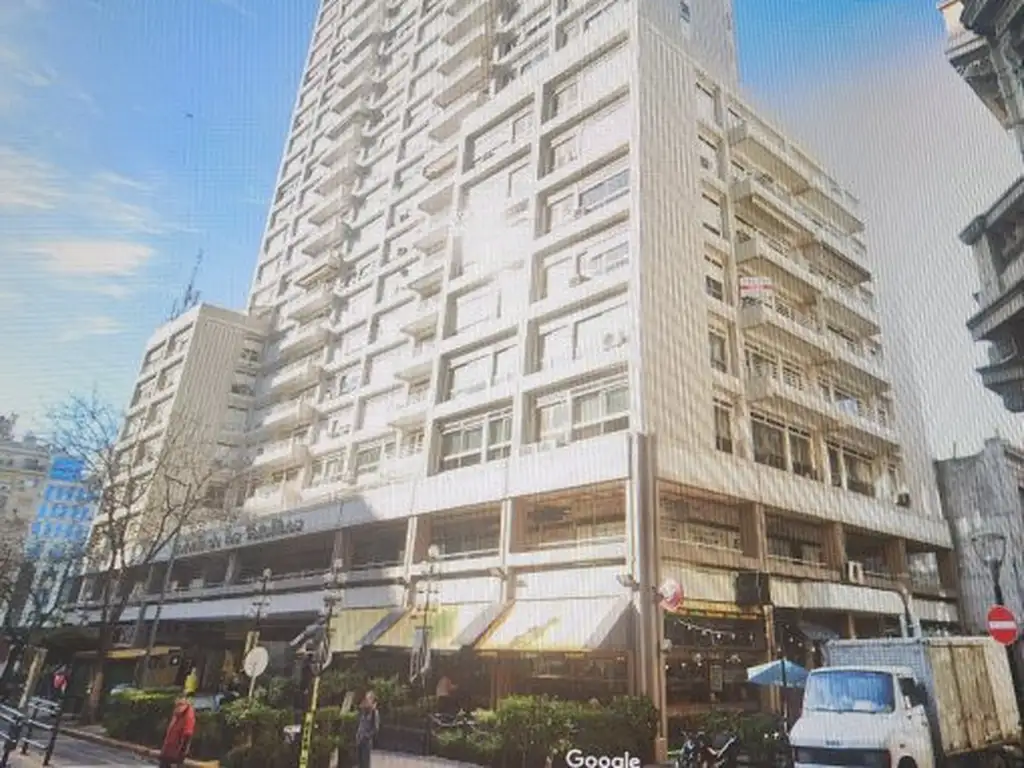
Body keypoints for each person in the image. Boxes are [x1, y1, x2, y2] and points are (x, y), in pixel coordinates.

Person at [159, 694, 196, 768]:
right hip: (168, 750)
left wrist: (181, 755)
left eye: (181, 703)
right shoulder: (177, 713)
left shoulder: (188, 715)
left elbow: (187, 735)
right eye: (177, 703)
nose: (178, 705)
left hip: (176, 752)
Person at [355, 691, 380, 768]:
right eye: (366, 698)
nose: (366, 700)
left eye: (368, 698)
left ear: (372, 700)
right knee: (359, 763)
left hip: (366, 741)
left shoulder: (374, 712)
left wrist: (367, 736)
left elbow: (375, 728)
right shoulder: (363, 711)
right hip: (359, 740)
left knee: (365, 763)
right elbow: (360, 723)